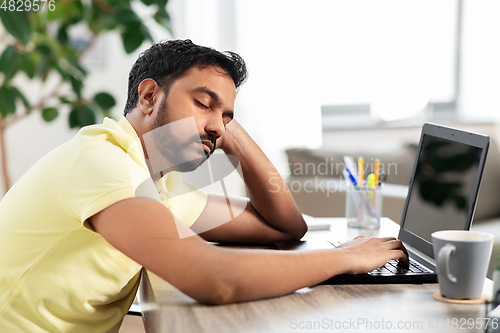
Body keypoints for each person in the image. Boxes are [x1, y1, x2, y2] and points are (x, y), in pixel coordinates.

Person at [0, 39, 408, 332]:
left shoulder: (156, 185)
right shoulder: (101, 162)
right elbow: (214, 278)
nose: (217, 125)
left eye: (227, 115)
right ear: (148, 97)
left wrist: (225, 127)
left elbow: (287, 227)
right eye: (202, 102)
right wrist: (346, 259)